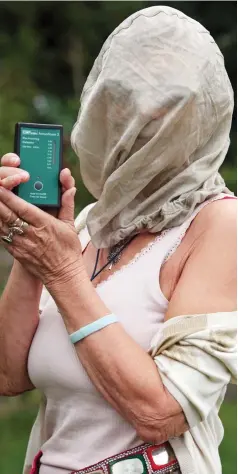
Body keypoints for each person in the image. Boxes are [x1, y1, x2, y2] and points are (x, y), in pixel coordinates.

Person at [0, 5, 236, 474]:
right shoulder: (92, 223)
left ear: (200, 117)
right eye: (124, 99)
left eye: (166, 105)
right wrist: (32, 248)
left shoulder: (220, 225)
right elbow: (8, 374)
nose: (141, 118)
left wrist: (63, 272)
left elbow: (162, 411)